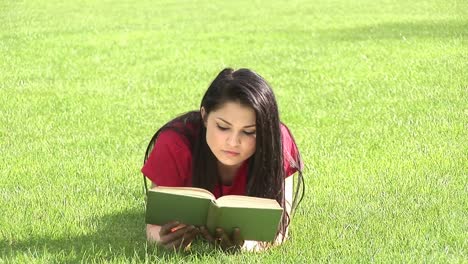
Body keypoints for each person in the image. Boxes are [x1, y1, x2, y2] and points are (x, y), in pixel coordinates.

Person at [141, 68, 304, 252]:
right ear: (204, 116)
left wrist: (246, 247)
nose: (233, 142)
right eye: (222, 127)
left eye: (249, 131)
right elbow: (154, 228)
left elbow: (279, 230)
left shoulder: (277, 144)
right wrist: (163, 239)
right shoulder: (175, 143)